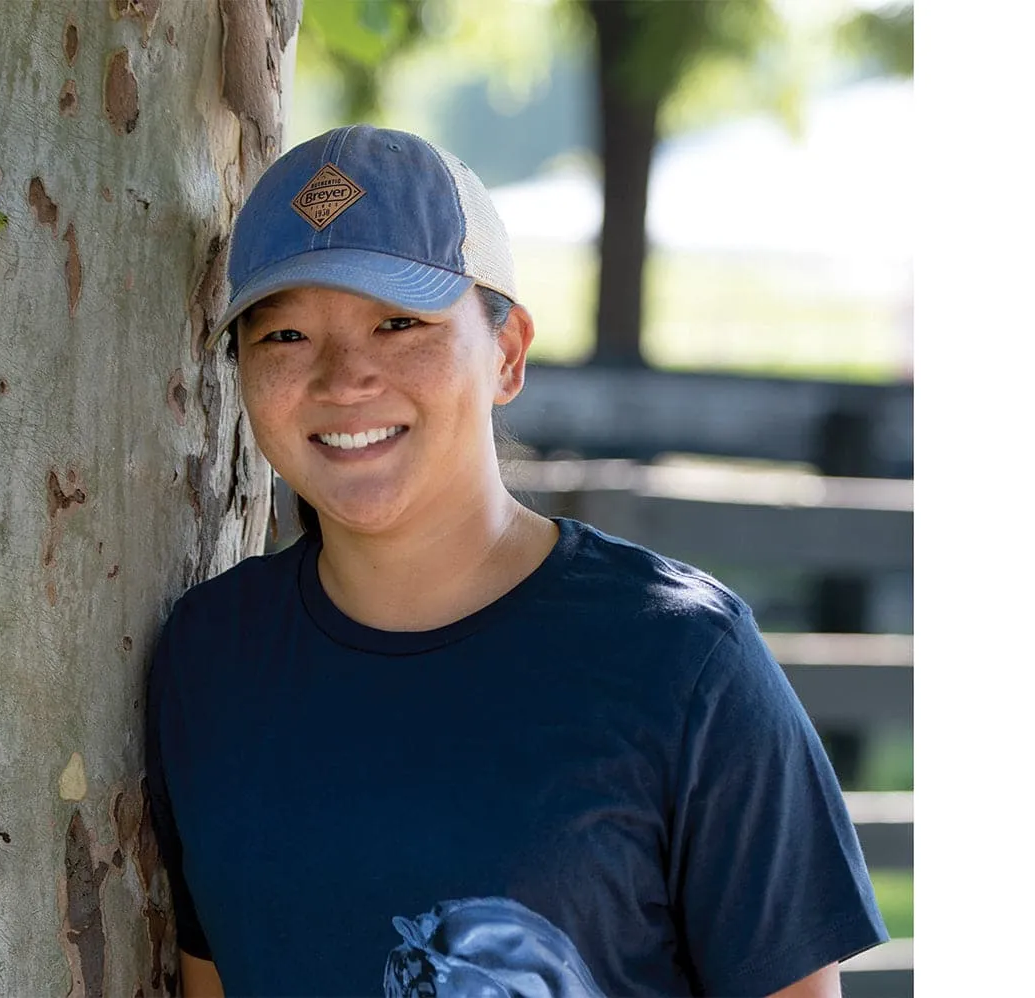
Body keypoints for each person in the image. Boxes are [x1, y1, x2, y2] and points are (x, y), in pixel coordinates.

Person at [146, 124, 887, 998]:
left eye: (399, 322)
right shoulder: (209, 656)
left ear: (507, 352)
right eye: (284, 338)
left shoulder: (684, 663)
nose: (344, 379)